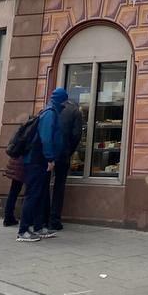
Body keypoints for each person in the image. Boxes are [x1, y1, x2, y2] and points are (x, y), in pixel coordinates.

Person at [17, 87, 68, 243]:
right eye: (64, 101)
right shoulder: (49, 114)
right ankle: (23, 230)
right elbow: (46, 138)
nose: (65, 104)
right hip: (37, 161)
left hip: (41, 160)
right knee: (33, 194)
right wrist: (50, 159)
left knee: (40, 195)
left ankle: (39, 227)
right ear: (60, 100)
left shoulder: (51, 111)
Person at [46, 94, 84, 231]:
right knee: (59, 187)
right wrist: (69, 151)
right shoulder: (75, 111)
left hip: (47, 153)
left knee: (43, 185)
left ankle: (42, 218)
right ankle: (54, 220)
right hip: (63, 154)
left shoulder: (47, 108)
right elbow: (76, 135)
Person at [1, 151, 25, 228]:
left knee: (13, 192)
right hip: (21, 165)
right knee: (16, 192)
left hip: (15, 163)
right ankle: (9, 217)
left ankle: (8, 217)